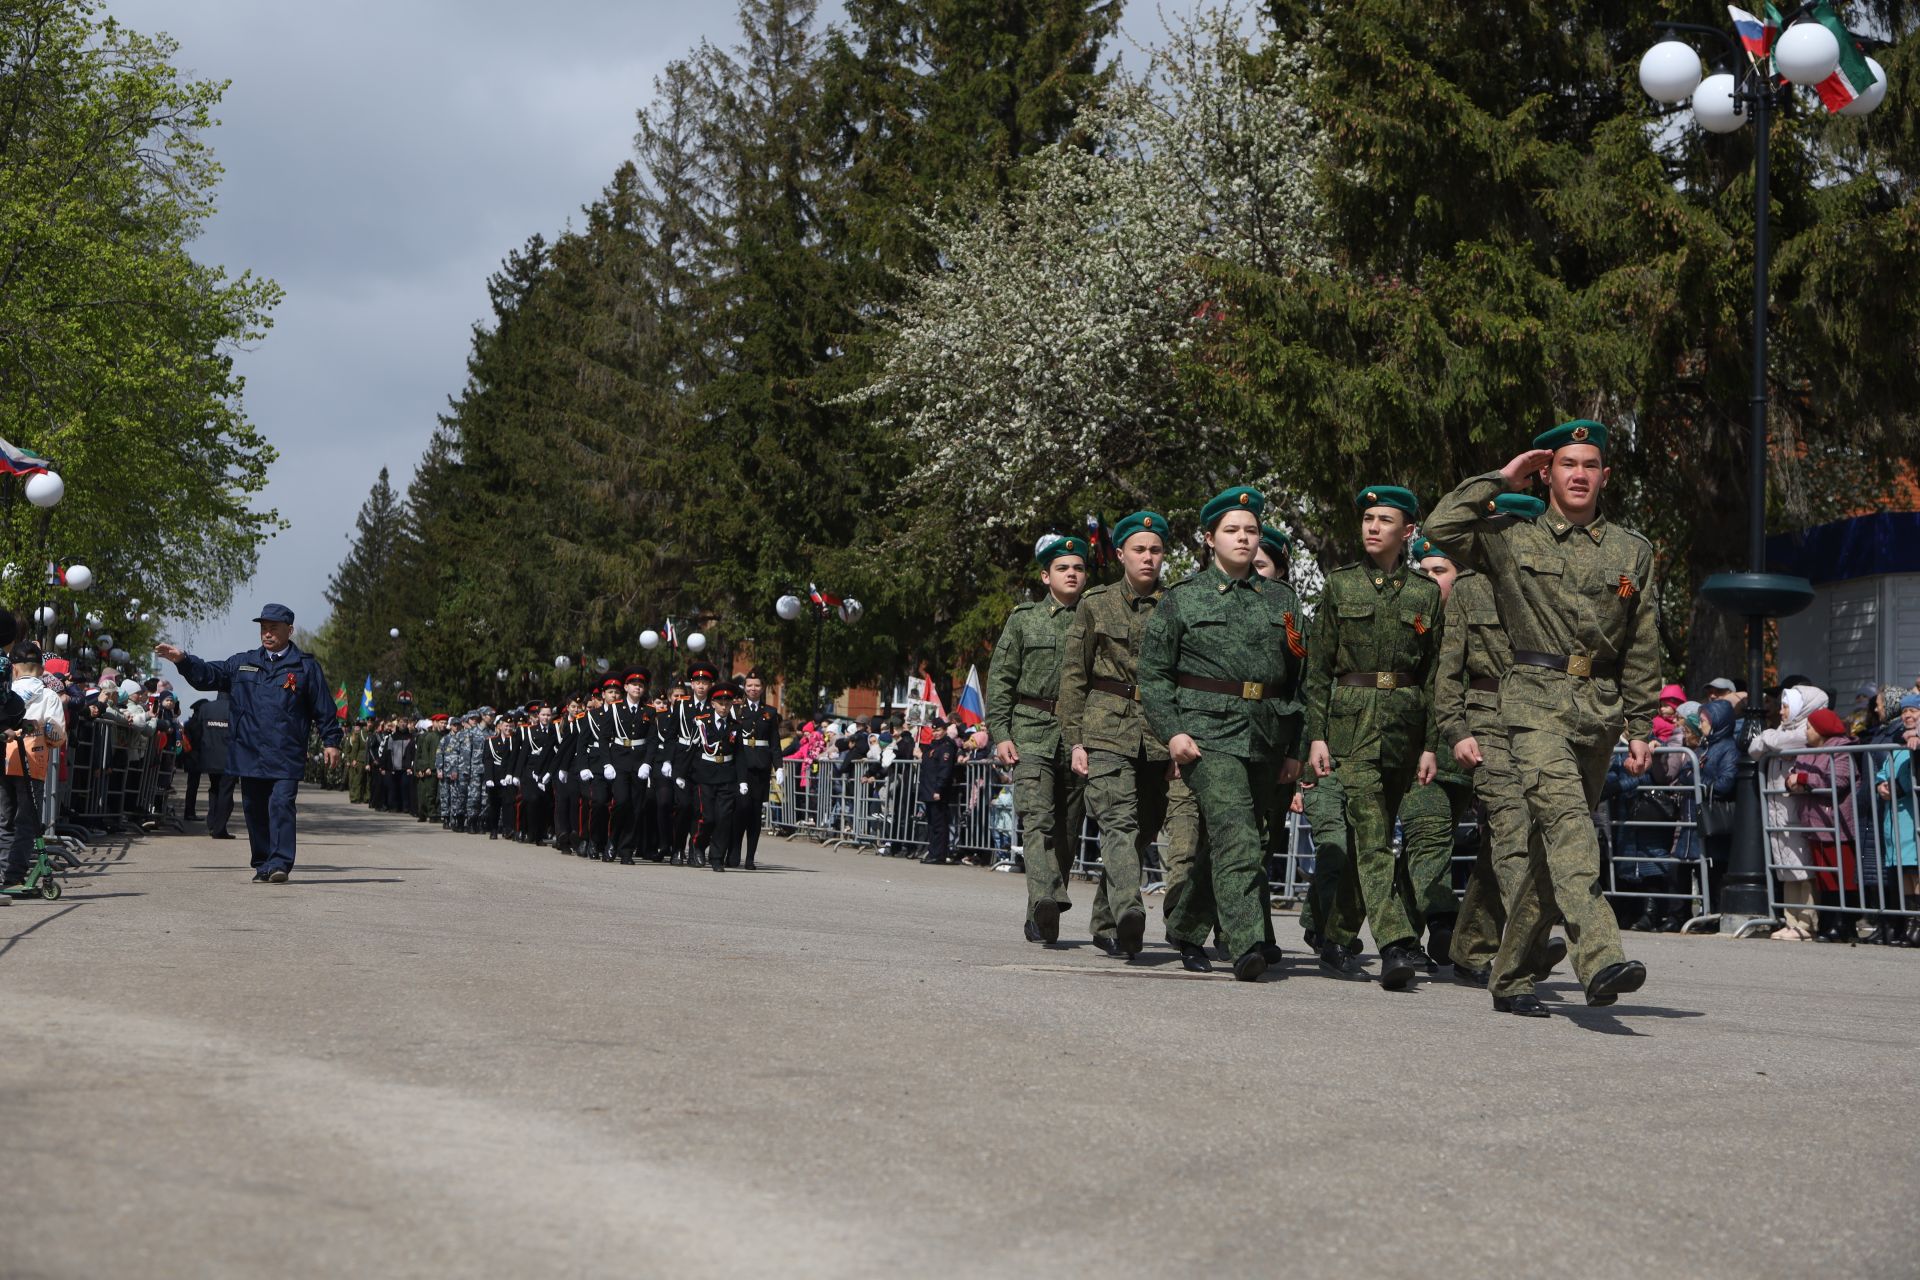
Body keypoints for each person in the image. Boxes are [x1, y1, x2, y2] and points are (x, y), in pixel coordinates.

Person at [1424, 419, 1657, 1016]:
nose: (1579, 475)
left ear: (1606, 475)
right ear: (1548, 473)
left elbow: (1642, 643)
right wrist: (1502, 478)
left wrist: (1640, 724)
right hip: (1531, 700)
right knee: (1569, 826)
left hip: (1599, 709)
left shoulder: (1634, 552)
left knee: (1548, 850)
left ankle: (1510, 974)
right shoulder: (1511, 535)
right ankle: (1600, 955)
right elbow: (1439, 527)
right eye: (1567, 465)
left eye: (1590, 465)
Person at [1139, 486, 1308, 982]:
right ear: (1209, 538)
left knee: (1239, 839)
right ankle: (1246, 942)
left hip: (1265, 734)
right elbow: (1153, 675)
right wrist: (1172, 732)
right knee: (1236, 832)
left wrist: (1296, 747)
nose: (1243, 538)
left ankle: (1187, 926)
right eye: (1232, 530)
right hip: (1206, 735)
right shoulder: (1183, 599)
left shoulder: (1283, 600)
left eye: (1251, 530)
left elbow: (1300, 680)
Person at [1301, 484, 1445, 990]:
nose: (1372, 526)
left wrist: (1429, 744)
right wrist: (1316, 738)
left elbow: (1432, 680)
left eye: (1384, 520)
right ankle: (1397, 944)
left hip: (1404, 730)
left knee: (1376, 839)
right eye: (1367, 518)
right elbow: (1317, 669)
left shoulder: (1426, 594)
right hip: (1352, 727)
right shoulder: (1340, 586)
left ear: (1407, 532)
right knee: (1370, 833)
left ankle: (1336, 935)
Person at [1056, 510, 1207, 965]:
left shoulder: (1177, 604)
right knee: (1117, 823)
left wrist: (1182, 738)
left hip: (1160, 735)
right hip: (1105, 730)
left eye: (1156, 550)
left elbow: (1189, 675)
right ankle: (1130, 910)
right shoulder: (1095, 602)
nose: (1148, 558)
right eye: (1139, 550)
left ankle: (1106, 922)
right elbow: (1073, 676)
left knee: (1141, 830)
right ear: (1121, 554)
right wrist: (1075, 741)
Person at [1429, 495, 1567, 986]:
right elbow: (1447, 674)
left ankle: (1469, 948)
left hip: (1542, 719)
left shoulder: (1550, 585)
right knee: (1512, 823)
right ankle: (1530, 938)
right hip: (1487, 719)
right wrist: (1457, 730)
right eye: (1500, 528)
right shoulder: (1468, 589)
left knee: (1507, 841)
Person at [153, 604, 344, 882]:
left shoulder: (305, 667)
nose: (267, 634)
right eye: (263, 628)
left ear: (289, 631)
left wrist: (331, 741)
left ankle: (279, 863)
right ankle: (263, 862)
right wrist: (183, 660)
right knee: (254, 808)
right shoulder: (243, 663)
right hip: (249, 750)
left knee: (281, 804)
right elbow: (208, 675)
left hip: (286, 751)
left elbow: (323, 708)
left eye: (274, 628)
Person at [985, 534, 1090, 945]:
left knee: (1067, 832)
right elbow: (1001, 678)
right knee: (1038, 821)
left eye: (1078, 568)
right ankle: (1048, 894)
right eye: (1063, 568)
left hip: (1079, 736)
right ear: (1046, 576)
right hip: (1031, 731)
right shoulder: (1024, 618)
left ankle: (1041, 913)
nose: (1072, 574)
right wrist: (1001, 734)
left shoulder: (1094, 617)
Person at [1748, 684, 1830, 939]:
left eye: (1786, 707)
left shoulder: (1808, 729)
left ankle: (1806, 922)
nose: (1781, 712)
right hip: (1778, 807)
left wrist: (1768, 739)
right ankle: (1791, 919)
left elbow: (1787, 741)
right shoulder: (1781, 730)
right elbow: (1753, 748)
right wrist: (1770, 740)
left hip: (1797, 807)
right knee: (1786, 865)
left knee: (1802, 865)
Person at [1, 641, 62, 897]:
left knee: (4, 820)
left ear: (14, 668)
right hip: (31, 764)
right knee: (26, 822)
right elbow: (57, 736)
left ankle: (2, 871)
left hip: (4, 760)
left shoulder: (7, 692)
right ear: (42, 668)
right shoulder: (49, 696)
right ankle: (13, 876)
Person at [1872, 694, 1920, 944]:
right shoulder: (1899, 743)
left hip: (1913, 816)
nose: (1908, 715)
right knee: (1903, 871)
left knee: (1915, 871)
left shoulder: (1914, 741)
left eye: (1913, 710)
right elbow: (1884, 769)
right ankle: (1908, 922)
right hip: (1896, 818)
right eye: (1904, 711)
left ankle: (1917, 925)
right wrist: (1881, 785)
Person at [732, 671, 781, 869]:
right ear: (744, 688)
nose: (753, 689)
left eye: (757, 685)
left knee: (754, 814)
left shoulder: (769, 711)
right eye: (749, 685)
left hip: (760, 766)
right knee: (740, 810)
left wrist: (779, 767)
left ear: (762, 688)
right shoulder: (737, 710)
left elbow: (774, 742)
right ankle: (734, 852)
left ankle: (750, 857)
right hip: (740, 766)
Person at [183, 693, 236, 839]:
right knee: (226, 794)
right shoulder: (236, 707)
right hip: (229, 758)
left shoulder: (206, 708)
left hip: (209, 757)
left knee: (214, 789)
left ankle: (212, 823)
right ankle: (219, 828)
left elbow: (197, 731)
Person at [919, 717, 961, 864]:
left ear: (944, 730)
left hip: (938, 791)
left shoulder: (946, 746)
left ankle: (939, 854)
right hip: (929, 790)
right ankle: (933, 852)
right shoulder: (934, 746)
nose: (935, 733)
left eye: (938, 730)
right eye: (934, 730)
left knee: (939, 825)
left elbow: (945, 770)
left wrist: (938, 789)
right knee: (932, 825)